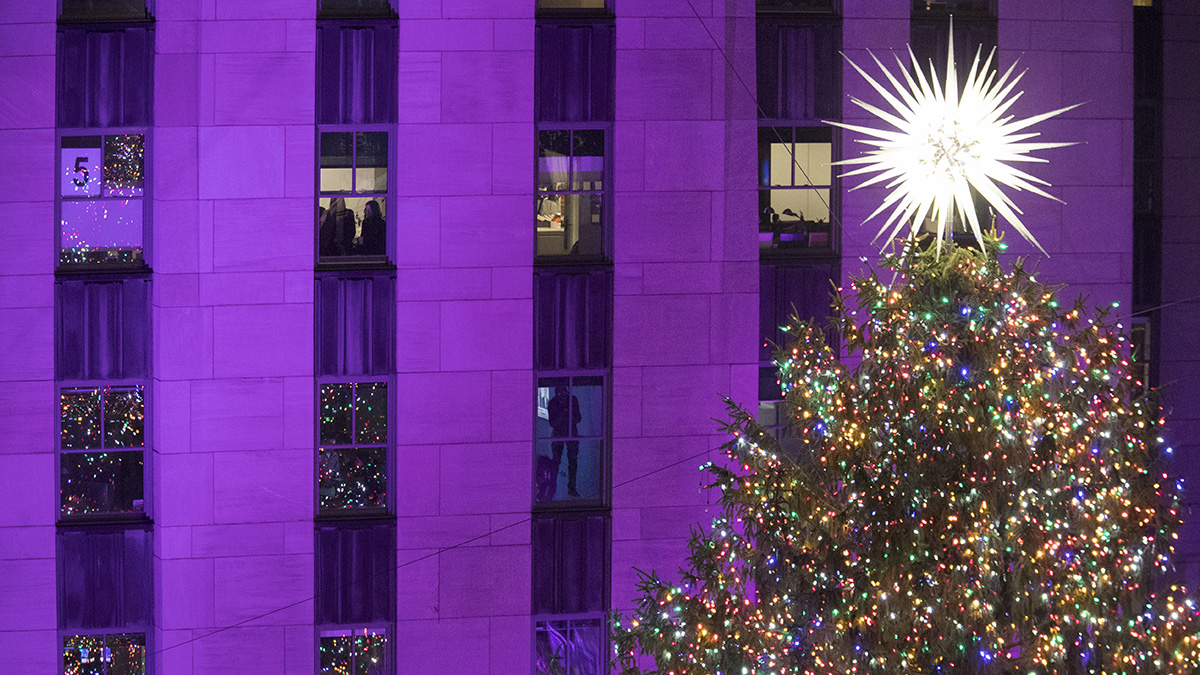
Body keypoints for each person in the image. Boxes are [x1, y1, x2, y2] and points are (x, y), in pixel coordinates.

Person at [546, 385, 582, 498]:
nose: (563, 397)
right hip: (559, 433)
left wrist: (565, 417)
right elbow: (553, 423)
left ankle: (571, 488)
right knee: (556, 461)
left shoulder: (572, 400)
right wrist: (564, 415)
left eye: (564, 394)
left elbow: (578, 418)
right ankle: (553, 487)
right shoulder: (553, 403)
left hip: (570, 432)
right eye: (560, 395)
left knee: (572, 460)